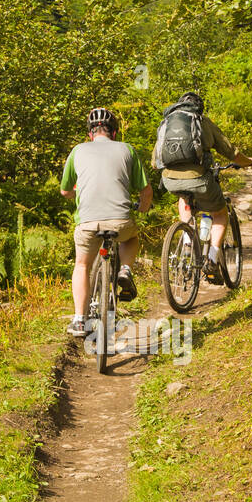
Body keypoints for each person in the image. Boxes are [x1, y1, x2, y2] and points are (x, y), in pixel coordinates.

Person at [59, 107, 153, 337]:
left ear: (90, 134)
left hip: (88, 223)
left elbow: (64, 191)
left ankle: (80, 320)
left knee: (82, 264)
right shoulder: (127, 149)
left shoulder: (77, 151)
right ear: (115, 133)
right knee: (131, 237)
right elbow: (145, 190)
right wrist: (142, 209)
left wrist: (75, 195)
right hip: (120, 220)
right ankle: (126, 270)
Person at [153, 92, 252, 279]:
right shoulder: (202, 121)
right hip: (199, 179)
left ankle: (186, 241)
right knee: (220, 213)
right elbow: (231, 152)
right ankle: (212, 260)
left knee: (184, 198)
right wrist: (248, 162)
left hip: (170, 181)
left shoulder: (167, 123)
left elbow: (155, 162)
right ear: (198, 108)